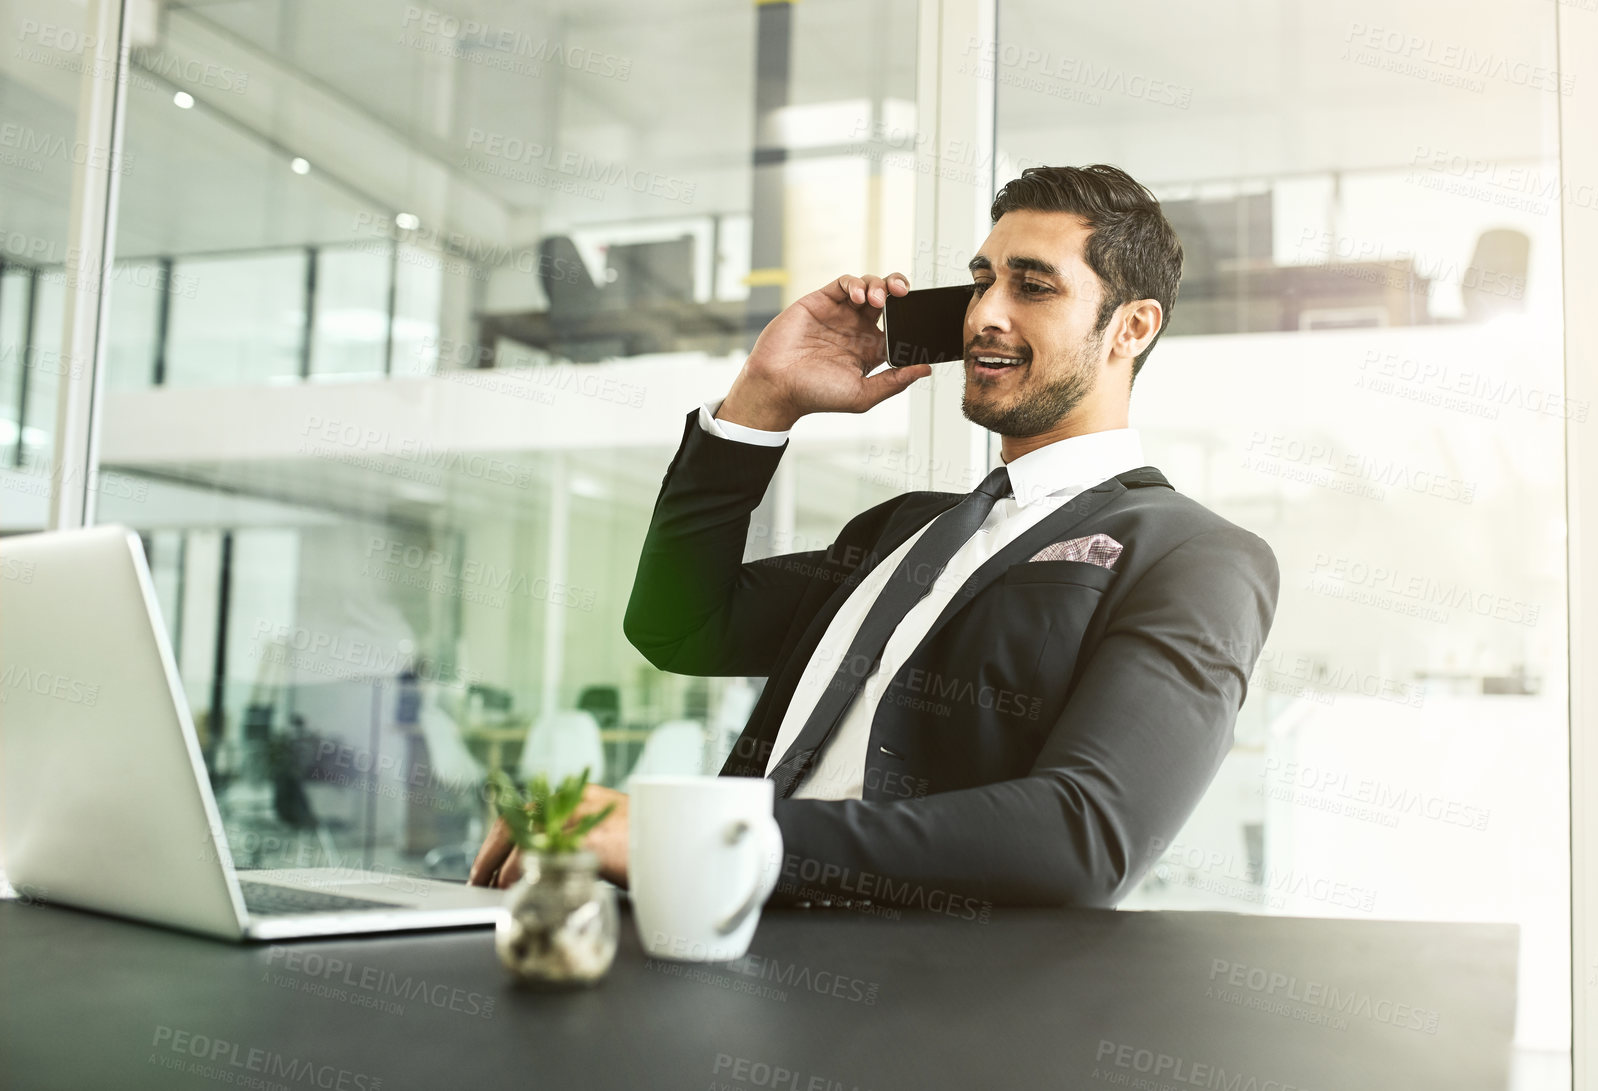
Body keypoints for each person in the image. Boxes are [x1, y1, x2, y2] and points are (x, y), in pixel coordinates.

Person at [471, 164, 1280, 909]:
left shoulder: (1195, 555)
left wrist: (693, 832)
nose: (984, 315)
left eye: (1032, 287)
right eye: (978, 282)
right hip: (715, 941)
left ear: (1131, 327)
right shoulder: (905, 527)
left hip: (919, 1011)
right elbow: (677, 623)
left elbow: (1085, 833)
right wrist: (762, 398)